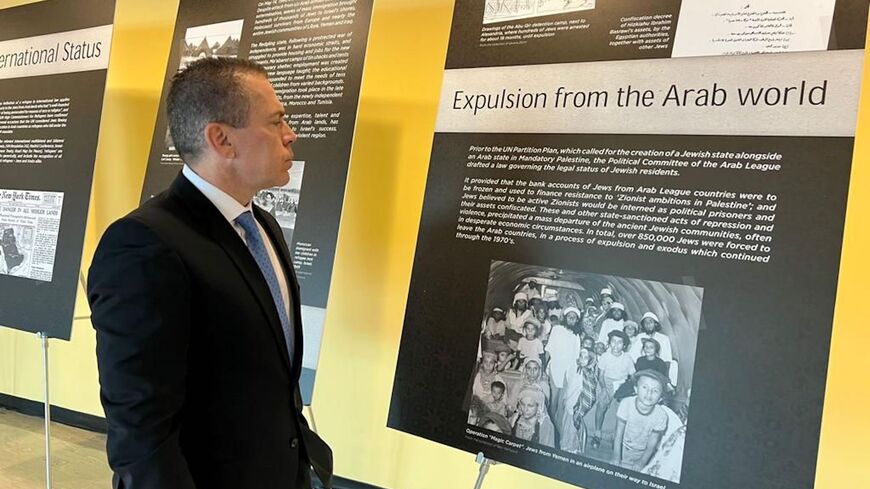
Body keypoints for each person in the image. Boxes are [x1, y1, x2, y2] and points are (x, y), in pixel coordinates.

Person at [87, 58, 332, 489]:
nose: (290, 135)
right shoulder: (144, 246)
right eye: (276, 122)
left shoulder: (262, 226)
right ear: (221, 139)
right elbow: (142, 434)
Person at [612, 370, 669, 471]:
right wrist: (616, 457)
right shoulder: (626, 404)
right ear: (636, 389)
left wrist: (642, 462)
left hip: (646, 454)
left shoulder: (661, 415)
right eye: (645, 387)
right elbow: (618, 434)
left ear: (660, 398)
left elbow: (652, 443)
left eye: (655, 390)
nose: (649, 393)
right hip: (624, 449)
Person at [592, 330, 635, 449]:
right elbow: (600, 375)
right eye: (613, 342)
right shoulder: (605, 356)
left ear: (624, 345)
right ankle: (597, 434)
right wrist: (604, 389)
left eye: (619, 343)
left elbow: (633, 376)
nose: (616, 345)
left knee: (621, 413)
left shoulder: (627, 358)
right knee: (601, 406)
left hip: (621, 385)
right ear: (609, 343)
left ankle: (616, 438)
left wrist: (627, 389)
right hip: (606, 383)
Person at [558, 347, 605, 454]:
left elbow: (591, 395)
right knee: (567, 425)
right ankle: (566, 447)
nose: (582, 359)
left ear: (591, 360)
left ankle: (572, 449)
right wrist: (566, 397)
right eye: (581, 356)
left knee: (573, 426)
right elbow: (570, 386)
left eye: (586, 358)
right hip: (570, 401)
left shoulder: (590, 374)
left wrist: (579, 406)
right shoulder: (575, 369)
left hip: (578, 405)